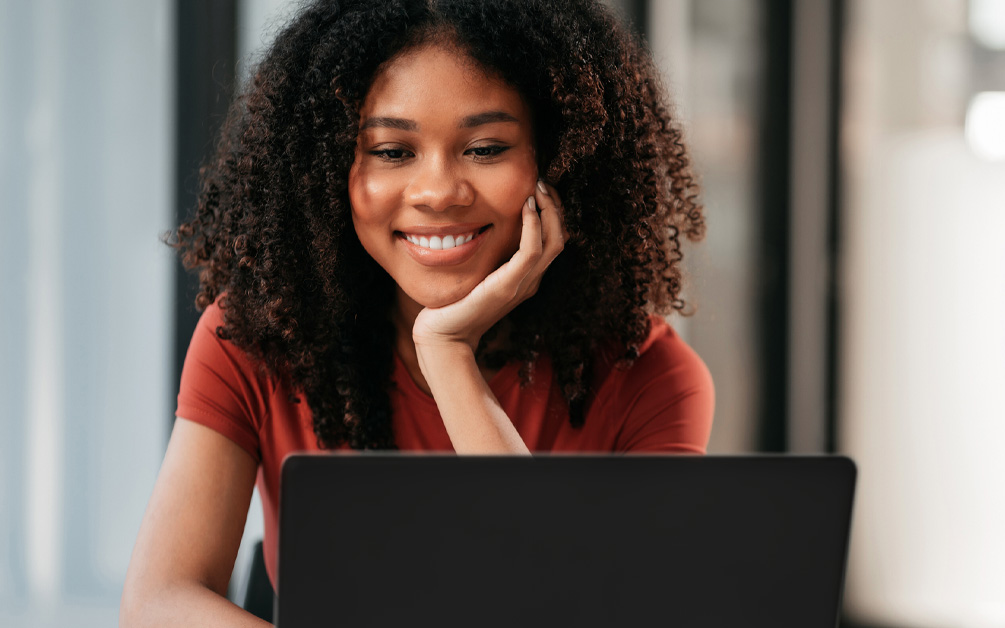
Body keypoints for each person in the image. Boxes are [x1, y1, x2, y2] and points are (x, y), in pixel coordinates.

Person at [120, 0, 712, 625]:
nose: (436, 192)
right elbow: (159, 602)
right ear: (326, 170)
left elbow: (562, 607)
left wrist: (448, 353)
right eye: (392, 151)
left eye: (484, 148)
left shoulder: (648, 375)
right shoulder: (257, 335)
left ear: (563, 160)